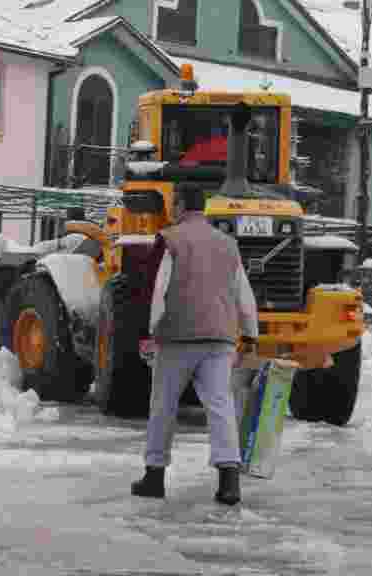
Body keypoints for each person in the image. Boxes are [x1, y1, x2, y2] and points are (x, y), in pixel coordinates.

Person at [132, 183, 259, 506]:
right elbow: (243, 292)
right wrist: (251, 333)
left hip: (177, 337)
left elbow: (156, 289)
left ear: (178, 206)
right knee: (220, 406)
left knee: (164, 405)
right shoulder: (227, 244)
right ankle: (229, 481)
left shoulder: (170, 239)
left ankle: (155, 476)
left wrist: (147, 333)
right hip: (219, 338)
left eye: (173, 203)